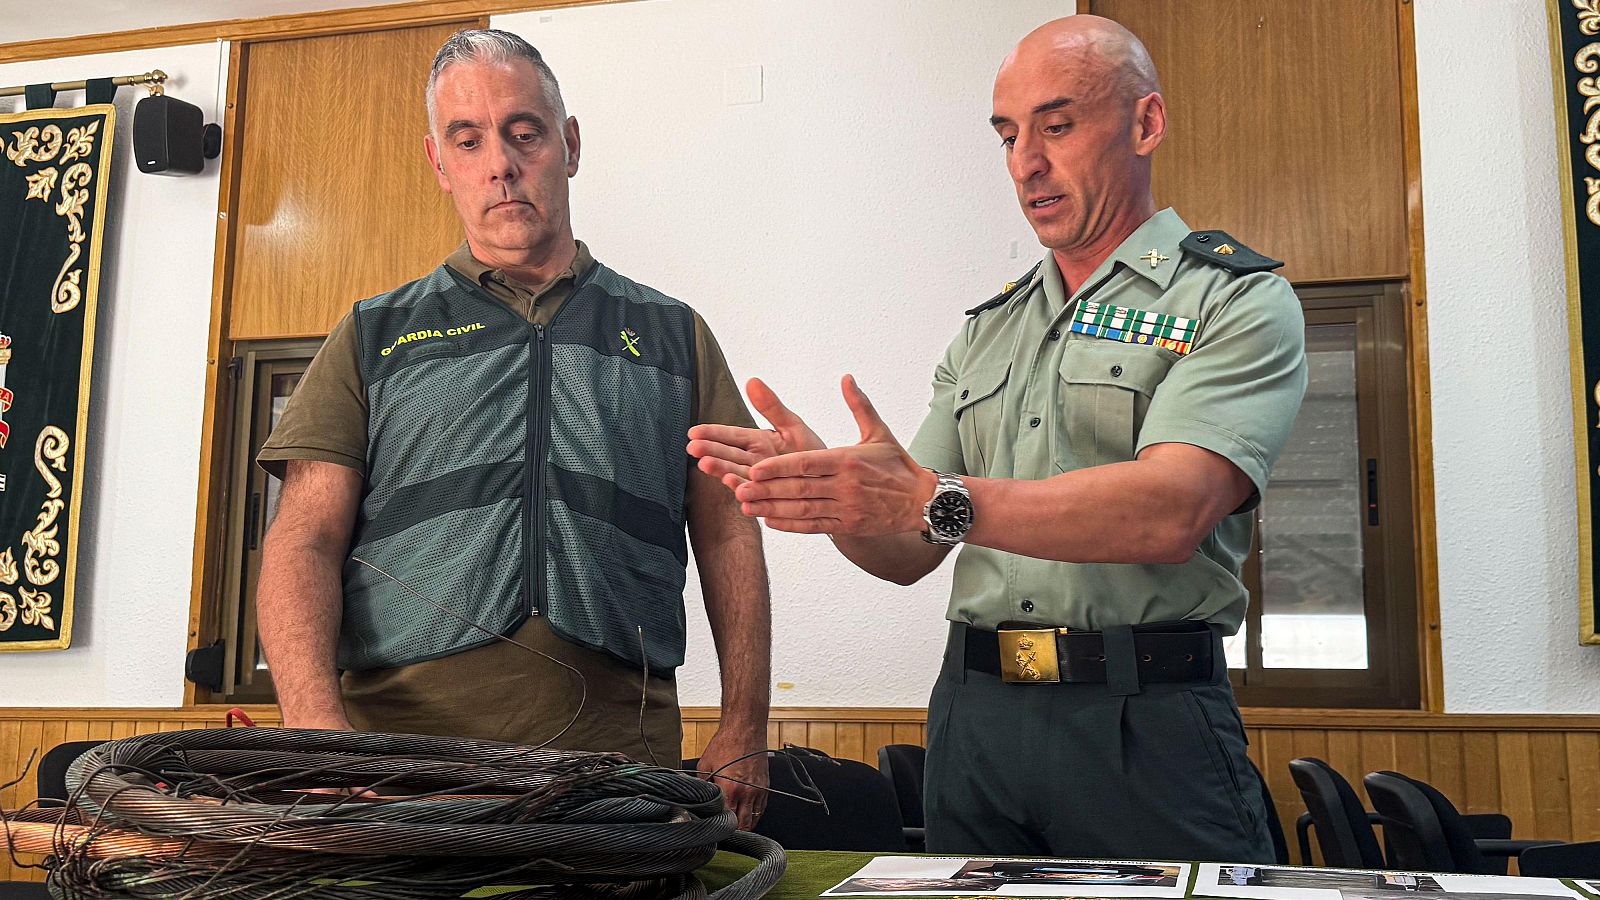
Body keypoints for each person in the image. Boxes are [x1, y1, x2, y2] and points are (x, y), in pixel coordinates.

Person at [688, 15, 1305, 858]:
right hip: (976, 717)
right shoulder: (990, 330)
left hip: (1143, 723)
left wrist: (931, 498)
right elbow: (911, 549)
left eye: (1057, 126)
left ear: (1146, 123)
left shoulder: (1233, 302)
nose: (1025, 164)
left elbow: (1171, 510)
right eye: (1008, 135)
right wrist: (836, 495)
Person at [254, 28, 771, 829]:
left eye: (524, 132)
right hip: (395, 778)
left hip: (619, 777)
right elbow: (303, 542)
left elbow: (731, 535)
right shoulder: (370, 337)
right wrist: (315, 726)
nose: (500, 162)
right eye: (469, 140)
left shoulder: (675, 337)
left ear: (568, 144)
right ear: (439, 163)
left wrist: (745, 723)